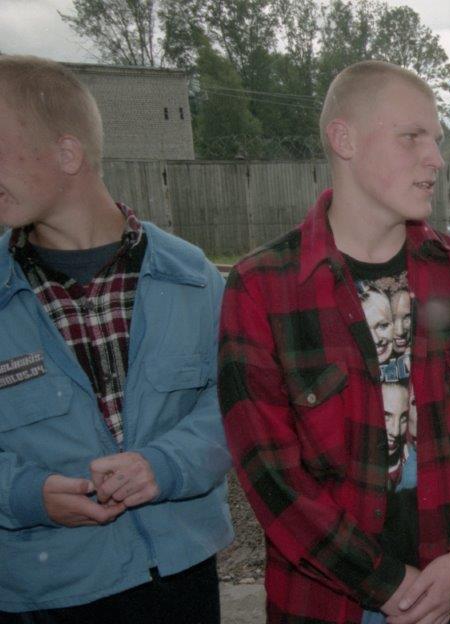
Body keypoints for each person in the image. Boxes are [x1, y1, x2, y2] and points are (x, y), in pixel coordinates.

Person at [218, 60, 450, 624]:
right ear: (345, 140)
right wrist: (383, 583)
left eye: (436, 140)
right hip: (326, 601)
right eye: (412, 137)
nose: (436, 159)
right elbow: (271, 476)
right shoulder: (261, 289)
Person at [0, 56, 233, 622]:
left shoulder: (192, 277)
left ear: (68, 154)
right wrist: (24, 494)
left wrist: (165, 465)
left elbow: (238, 405)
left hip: (180, 583)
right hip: (43, 594)